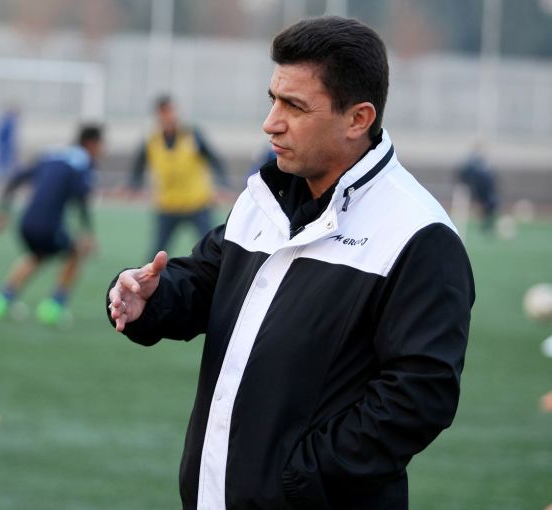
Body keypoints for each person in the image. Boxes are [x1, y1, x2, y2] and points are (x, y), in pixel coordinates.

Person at [107, 16, 474, 509]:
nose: (271, 122)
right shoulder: (266, 197)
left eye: (294, 106)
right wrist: (151, 296)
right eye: (273, 99)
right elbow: (207, 279)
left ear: (358, 119)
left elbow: (420, 396)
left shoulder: (418, 233)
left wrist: (298, 479)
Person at [0, 124, 103, 326]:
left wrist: (2, 212)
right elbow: (82, 199)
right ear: (91, 143)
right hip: (48, 225)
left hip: (27, 221)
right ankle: (54, 307)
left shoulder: (52, 154)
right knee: (75, 253)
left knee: (38, 255)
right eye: (101, 145)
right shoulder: (82, 161)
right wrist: (88, 233)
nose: (102, 150)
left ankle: (1, 300)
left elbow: (15, 178)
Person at [129, 95, 229, 256]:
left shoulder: (192, 134)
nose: (168, 116)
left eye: (170, 110)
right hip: (168, 205)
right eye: (163, 112)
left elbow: (214, 158)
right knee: (156, 252)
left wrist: (223, 182)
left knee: (211, 250)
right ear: (157, 115)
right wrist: (133, 184)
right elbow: (138, 165)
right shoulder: (152, 140)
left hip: (197, 203)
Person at [456, 144, 499, 233]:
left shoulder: (483, 163)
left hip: (484, 188)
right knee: (486, 204)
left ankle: (487, 224)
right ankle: (485, 224)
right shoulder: (472, 162)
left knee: (490, 204)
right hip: (477, 187)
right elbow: (464, 173)